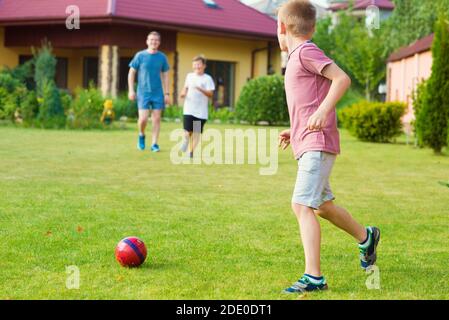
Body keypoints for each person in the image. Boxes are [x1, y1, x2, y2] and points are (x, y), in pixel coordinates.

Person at [277, 0, 380, 294]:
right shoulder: (298, 56)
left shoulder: (306, 51)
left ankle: (314, 277)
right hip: (308, 140)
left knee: (300, 205)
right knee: (321, 206)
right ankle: (366, 237)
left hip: (317, 144)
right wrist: (294, 130)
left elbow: (341, 79)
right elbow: (305, 104)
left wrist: (323, 112)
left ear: (282, 28)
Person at [128, 31, 170, 152]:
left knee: (156, 119)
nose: (154, 42)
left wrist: (167, 93)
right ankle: (141, 135)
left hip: (158, 93)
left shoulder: (162, 57)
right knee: (143, 119)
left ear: (159, 43)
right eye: (151, 40)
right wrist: (131, 90)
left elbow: (166, 76)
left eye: (156, 40)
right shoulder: (140, 56)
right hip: (143, 92)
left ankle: (154, 144)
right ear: (147, 41)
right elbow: (131, 73)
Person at [179, 55, 215, 158]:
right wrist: (182, 93)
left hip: (201, 112)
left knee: (196, 132)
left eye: (199, 64)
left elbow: (210, 94)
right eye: (194, 64)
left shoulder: (207, 79)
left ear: (204, 66)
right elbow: (185, 88)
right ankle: (185, 140)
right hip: (189, 109)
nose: (196, 66)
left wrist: (200, 89)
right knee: (187, 132)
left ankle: (191, 153)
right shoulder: (189, 76)